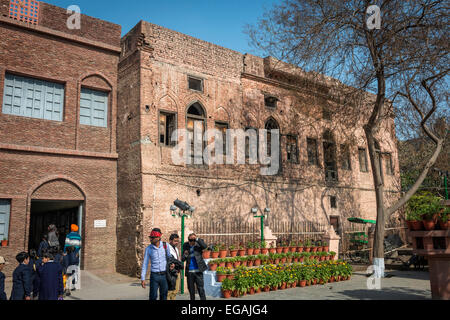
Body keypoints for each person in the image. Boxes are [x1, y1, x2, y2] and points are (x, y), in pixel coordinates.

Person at [140, 228, 173, 300]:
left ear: (158, 238)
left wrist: (172, 264)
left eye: (152, 238)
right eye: (150, 237)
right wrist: (143, 278)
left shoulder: (165, 246)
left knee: (164, 296)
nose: (150, 239)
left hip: (164, 275)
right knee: (153, 296)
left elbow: (169, 257)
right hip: (154, 276)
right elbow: (145, 264)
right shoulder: (148, 249)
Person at [181, 233, 208, 300]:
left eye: (194, 240)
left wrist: (197, 239)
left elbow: (205, 246)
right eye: (190, 240)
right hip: (190, 271)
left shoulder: (198, 244)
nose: (192, 241)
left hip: (198, 270)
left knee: (201, 289)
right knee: (191, 290)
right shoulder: (185, 245)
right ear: (188, 240)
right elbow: (183, 259)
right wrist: (185, 255)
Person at [167, 233, 182, 300]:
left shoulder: (176, 249)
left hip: (177, 271)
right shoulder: (167, 249)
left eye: (177, 241)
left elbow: (177, 259)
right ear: (170, 240)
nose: (176, 242)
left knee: (175, 291)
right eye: (175, 241)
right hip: (170, 272)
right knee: (169, 291)